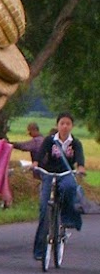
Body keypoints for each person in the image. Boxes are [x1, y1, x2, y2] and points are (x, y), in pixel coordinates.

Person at [32, 111, 86, 260]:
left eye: (68, 123)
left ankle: (67, 217)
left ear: (72, 126)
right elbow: (40, 154)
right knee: (44, 210)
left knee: (69, 188)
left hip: (66, 173)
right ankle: (39, 251)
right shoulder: (50, 141)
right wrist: (35, 164)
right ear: (57, 125)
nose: (65, 126)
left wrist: (81, 167)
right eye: (62, 123)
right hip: (49, 174)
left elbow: (80, 159)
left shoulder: (75, 143)